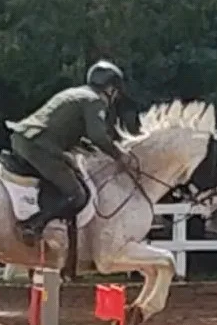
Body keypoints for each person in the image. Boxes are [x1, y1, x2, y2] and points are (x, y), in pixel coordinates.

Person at [7, 59, 133, 246]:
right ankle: (33, 225)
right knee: (77, 194)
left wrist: (87, 148)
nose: (115, 97)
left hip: (23, 138)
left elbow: (64, 128)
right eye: (116, 91)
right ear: (110, 88)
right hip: (40, 147)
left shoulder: (76, 93)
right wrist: (118, 154)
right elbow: (98, 136)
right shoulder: (95, 101)